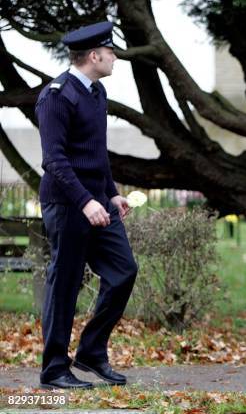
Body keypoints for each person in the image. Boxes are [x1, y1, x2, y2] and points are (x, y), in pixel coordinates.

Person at [36, 21, 138, 390]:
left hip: (98, 203)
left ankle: (92, 352)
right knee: (64, 285)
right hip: (67, 204)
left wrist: (110, 193)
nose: (115, 58)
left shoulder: (97, 93)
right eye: (111, 53)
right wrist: (85, 202)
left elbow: (96, 153)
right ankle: (54, 369)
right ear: (94, 56)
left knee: (123, 271)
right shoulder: (57, 96)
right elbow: (55, 161)